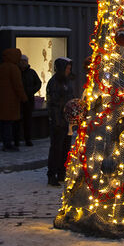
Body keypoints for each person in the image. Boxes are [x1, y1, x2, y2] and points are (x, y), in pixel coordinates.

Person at [45, 56, 74, 186]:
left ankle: (62, 172)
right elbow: (53, 104)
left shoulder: (66, 82)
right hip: (58, 121)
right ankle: (52, 174)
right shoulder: (54, 83)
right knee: (56, 149)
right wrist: (57, 121)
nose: (69, 70)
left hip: (66, 121)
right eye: (67, 68)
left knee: (65, 148)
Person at [0, 48, 28, 151]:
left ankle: (6, 142)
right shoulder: (13, 68)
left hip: (1, 101)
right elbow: (18, 86)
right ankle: (8, 144)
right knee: (9, 123)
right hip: (11, 101)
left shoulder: (1, 67)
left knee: (4, 123)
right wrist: (24, 98)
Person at [17, 55, 42, 147]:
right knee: (17, 120)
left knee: (28, 121)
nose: (23, 63)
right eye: (21, 61)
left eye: (24, 61)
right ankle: (17, 139)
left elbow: (38, 83)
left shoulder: (31, 72)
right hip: (18, 100)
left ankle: (28, 139)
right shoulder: (17, 72)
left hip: (29, 99)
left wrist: (32, 90)